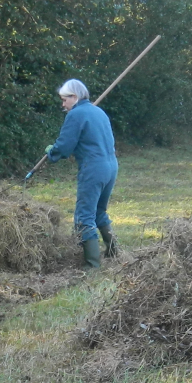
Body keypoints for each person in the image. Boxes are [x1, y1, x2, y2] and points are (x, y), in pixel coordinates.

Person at [45, 79, 119, 269]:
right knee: (99, 211)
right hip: (111, 166)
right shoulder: (98, 111)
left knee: (84, 215)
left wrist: (52, 152)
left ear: (74, 97)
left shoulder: (76, 114)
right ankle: (113, 252)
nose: (63, 104)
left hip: (93, 167)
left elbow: (65, 145)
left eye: (64, 100)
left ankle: (91, 265)